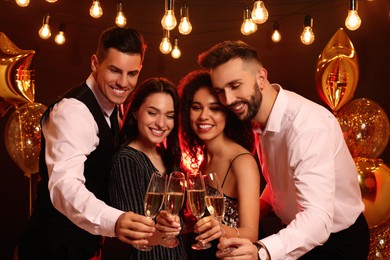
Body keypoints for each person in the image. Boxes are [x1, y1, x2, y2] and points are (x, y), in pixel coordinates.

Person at [198, 40, 370, 260]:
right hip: (297, 235)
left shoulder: (307, 125)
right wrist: (247, 218)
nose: (228, 100)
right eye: (221, 91)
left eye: (235, 85)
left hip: (337, 243)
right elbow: (282, 181)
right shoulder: (258, 119)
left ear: (261, 78)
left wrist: (261, 251)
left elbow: (318, 219)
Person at [18, 26, 157, 259]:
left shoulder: (115, 104)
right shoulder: (73, 112)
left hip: (85, 246)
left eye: (132, 73)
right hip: (52, 248)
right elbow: (65, 186)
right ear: (95, 63)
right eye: (115, 70)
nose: (123, 83)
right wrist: (115, 221)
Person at [178, 70, 260, 259]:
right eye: (196, 107)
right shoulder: (204, 159)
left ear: (228, 113)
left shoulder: (242, 161)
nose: (203, 116)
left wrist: (220, 229)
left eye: (214, 108)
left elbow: (251, 233)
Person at [101, 77, 186, 259]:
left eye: (169, 116)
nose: (161, 124)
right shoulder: (126, 160)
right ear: (135, 112)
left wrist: (176, 224)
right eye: (152, 113)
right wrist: (167, 229)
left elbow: (181, 222)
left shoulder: (167, 158)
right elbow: (135, 234)